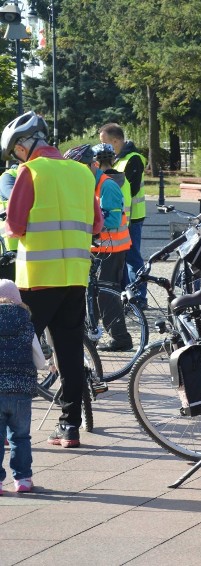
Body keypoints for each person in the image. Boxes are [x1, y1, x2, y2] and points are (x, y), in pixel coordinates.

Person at [2, 110, 103, 448]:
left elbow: (15, 225)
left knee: (12, 353)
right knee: (71, 352)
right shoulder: (82, 172)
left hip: (37, 278)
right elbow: (97, 224)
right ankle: (69, 427)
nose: (17, 156)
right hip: (75, 276)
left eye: (16, 150)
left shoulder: (30, 172)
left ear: (24, 145)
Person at [64, 144, 133, 353]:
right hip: (97, 248)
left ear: (91, 165)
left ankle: (121, 338)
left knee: (106, 295)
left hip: (112, 248)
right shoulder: (86, 183)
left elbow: (112, 219)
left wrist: (84, 223)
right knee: (90, 293)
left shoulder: (107, 185)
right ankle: (90, 336)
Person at [0, 279, 47, 494]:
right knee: (20, 436)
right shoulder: (26, 325)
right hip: (21, 391)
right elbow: (39, 359)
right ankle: (23, 479)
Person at [98, 123, 147, 307]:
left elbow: (130, 190)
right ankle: (128, 295)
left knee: (133, 258)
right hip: (123, 217)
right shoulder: (118, 159)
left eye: (105, 142)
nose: (103, 146)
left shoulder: (133, 158)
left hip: (132, 217)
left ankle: (140, 297)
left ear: (116, 140)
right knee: (124, 258)